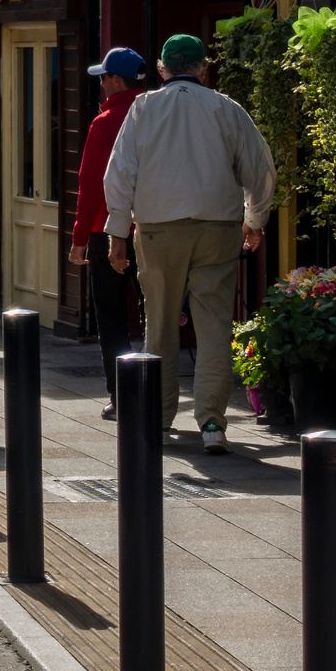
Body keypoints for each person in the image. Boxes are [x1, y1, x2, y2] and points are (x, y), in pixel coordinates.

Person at [103, 33, 275, 455]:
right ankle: (213, 422)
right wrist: (254, 219)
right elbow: (259, 169)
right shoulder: (225, 108)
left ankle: (159, 419)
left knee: (159, 323)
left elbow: (120, 173)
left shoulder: (143, 108)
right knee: (214, 324)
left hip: (159, 228)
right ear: (202, 68)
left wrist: (117, 232)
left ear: (162, 69)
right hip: (217, 225)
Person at [69, 48, 145, 421]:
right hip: (151, 227)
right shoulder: (154, 115)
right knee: (154, 313)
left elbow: (90, 184)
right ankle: (153, 392)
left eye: (103, 78)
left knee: (112, 316)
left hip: (106, 230)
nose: (100, 85)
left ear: (115, 80)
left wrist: (79, 237)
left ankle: (121, 394)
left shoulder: (105, 122)